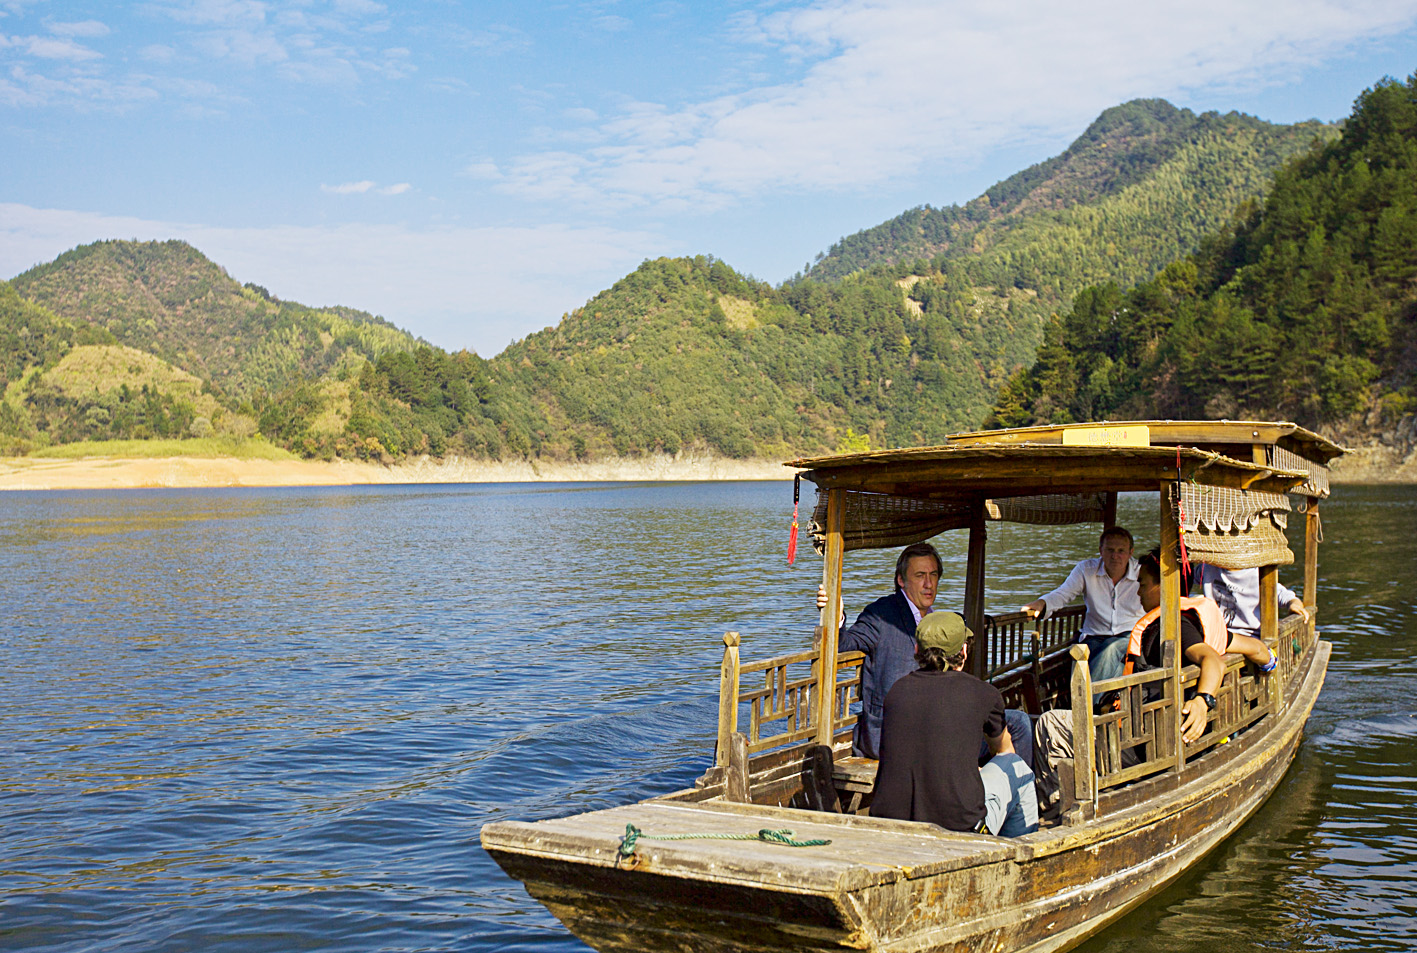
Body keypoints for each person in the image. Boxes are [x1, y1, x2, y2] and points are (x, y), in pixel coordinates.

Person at [1032, 551, 1272, 816]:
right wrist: (1269, 664)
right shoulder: (1196, 619)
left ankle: (1049, 810)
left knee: (1049, 723)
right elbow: (1257, 648)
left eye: (1143, 585)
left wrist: (1204, 701)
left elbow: (1212, 661)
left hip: (1141, 747)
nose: (1138, 593)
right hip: (1170, 738)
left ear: (1163, 586)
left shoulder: (1169, 628)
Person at [824, 543, 1031, 762]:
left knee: (1015, 723)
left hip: (935, 724)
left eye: (933, 575)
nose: (929, 583)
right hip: (892, 736)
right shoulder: (881, 615)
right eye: (920, 575)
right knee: (1013, 726)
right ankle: (1006, 792)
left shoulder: (934, 619)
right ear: (901, 580)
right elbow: (843, 645)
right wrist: (835, 616)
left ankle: (1002, 791)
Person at [872, 611, 1038, 836]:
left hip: (891, 824)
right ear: (964, 651)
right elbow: (1004, 751)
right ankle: (1015, 853)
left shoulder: (896, 691)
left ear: (917, 650)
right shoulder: (982, 693)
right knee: (1020, 769)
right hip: (960, 828)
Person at [1021, 526, 1143, 684]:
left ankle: (1088, 706)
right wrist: (1042, 603)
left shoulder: (1141, 572)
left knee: (1110, 649)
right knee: (1109, 662)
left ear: (1130, 552)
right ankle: (1105, 702)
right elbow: (1063, 593)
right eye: (1110, 550)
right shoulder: (1086, 569)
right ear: (1101, 550)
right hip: (1094, 636)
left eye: (1121, 551)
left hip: (1129, 635)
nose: (1115, 556)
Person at [1194, 563, 1310, 638]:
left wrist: (1294, 605)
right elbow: (1188, 576)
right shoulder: (1208, 568)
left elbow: (1287, 597)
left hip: (1252, 637)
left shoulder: (1258, 574)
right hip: (1216, 634)